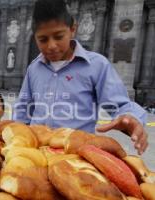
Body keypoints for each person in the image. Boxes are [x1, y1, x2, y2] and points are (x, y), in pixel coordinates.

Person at [13, 0, 148, 155]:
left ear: (72, 29)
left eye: (58, 36)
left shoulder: (96, 66)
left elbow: (120, 105)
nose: (51, 45)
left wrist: (130, 118)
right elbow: (23, 109)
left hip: (76, 155)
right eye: (43, 39)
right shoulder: (34, 68)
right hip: (36, 152)